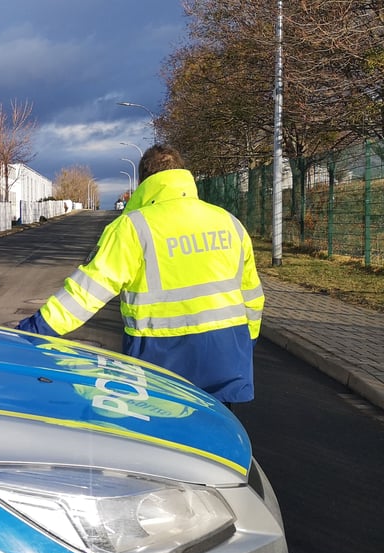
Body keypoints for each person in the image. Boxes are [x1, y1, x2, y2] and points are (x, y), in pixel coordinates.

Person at [18, 144, 264, 406]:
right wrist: (245, 345)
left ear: (145, 181)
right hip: (225, 362)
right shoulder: (229, 222)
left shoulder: (133, 227)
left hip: (162, 366)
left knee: (165, 443)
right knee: (214, 441)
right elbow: (253, 297)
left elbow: (86, 293)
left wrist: (33, 332)